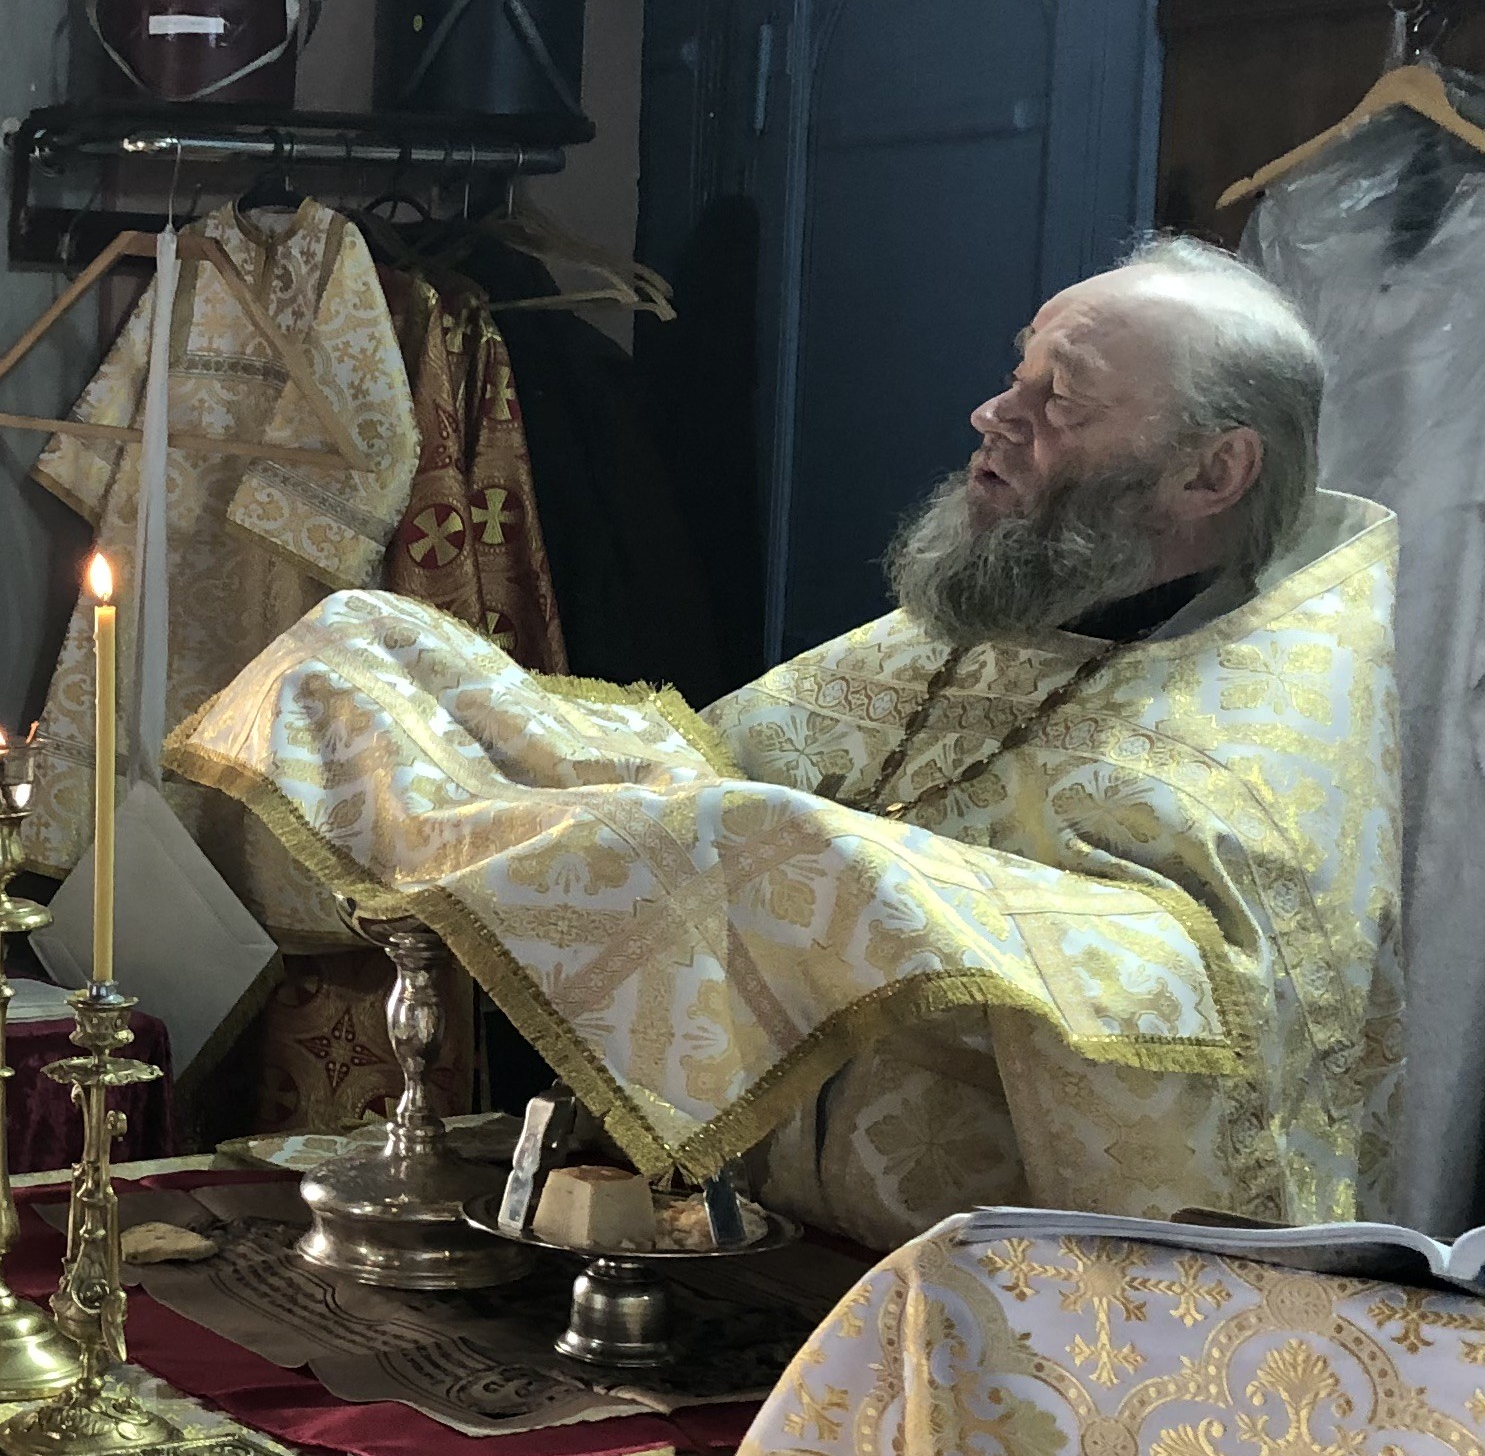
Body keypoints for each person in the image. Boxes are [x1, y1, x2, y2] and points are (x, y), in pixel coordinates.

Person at [176, 236, 1405, 1244]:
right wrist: (468, 707)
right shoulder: (992, 621)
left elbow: (1219, 1025)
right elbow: (703, 781)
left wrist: (859, 886)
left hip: (1015, 1316)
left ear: (1211, 474)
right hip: (772, 1249)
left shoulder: (1260, 732)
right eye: (1015, 373)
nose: (993, 414)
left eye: (1061, 401)